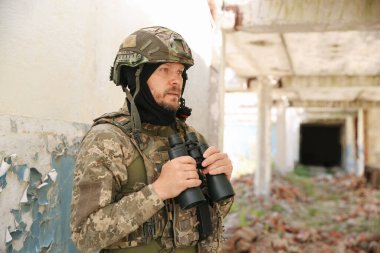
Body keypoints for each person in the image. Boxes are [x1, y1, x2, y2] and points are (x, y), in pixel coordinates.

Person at [70, 26, 234, 253]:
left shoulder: (192, 137)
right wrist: (158, 191)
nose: (176, 80)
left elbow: (212, 219)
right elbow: (85, 235)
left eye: (179, 72)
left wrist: (222, 181)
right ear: (136, 76)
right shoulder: (108, 140)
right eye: (165, 70)